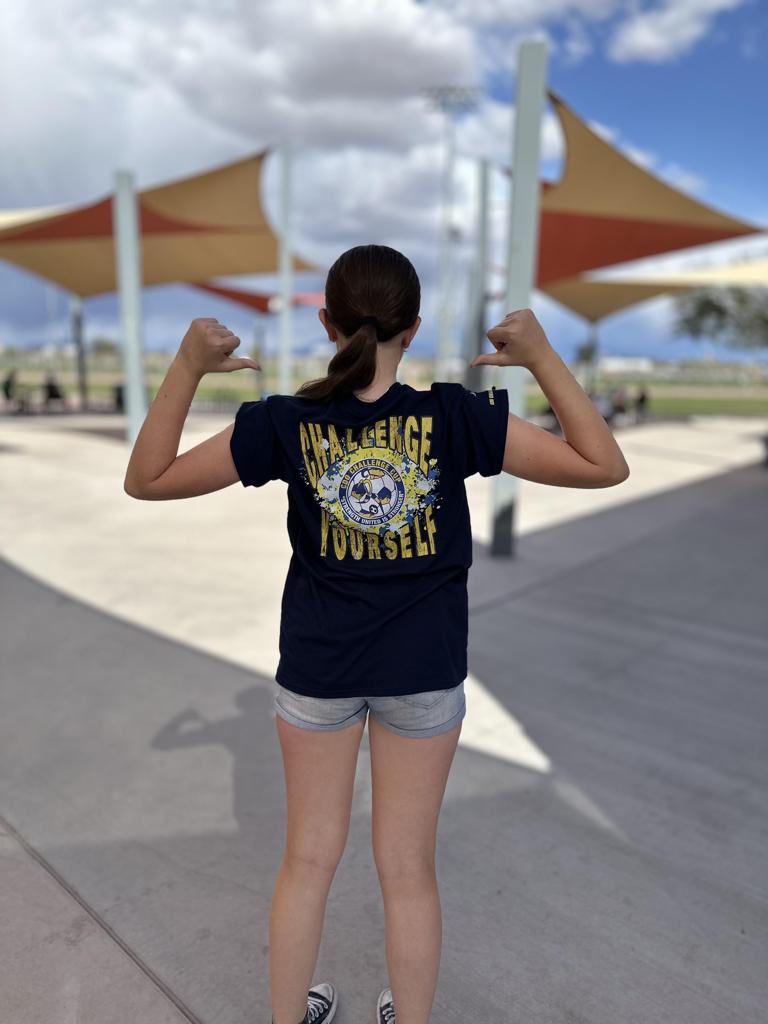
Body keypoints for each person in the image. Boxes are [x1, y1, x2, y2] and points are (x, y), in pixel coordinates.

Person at [123, 244, 630, 1024]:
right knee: (408, 871)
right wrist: (540, 357)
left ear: (327, 323)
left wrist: (187, 367)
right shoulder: (454, 417)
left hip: (318, 675)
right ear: (413, 327)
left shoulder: (287, 421)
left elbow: (147, 478)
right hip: (424, 675)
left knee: (306, 860)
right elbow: (603, 465)